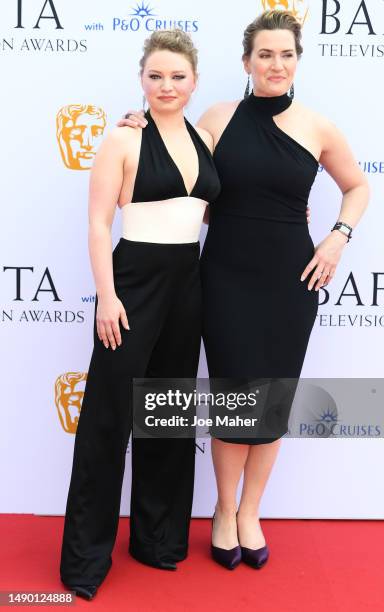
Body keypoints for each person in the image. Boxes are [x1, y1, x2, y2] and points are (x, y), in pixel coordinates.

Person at [119, 10, 369, 571]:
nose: (275, 64)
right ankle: (224, 510)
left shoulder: (317, 126)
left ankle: (251, 510)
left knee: (271, 400)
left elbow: (356, 187)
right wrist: (140, 121)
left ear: (297, 60)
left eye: (285, 55)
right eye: (265, 55)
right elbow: (180, 166)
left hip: (291, 280)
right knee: (236, 396)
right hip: (226, 276)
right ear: (246, 62)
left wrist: (336, 238)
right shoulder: (217, 116)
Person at [60, 29, 220, 600]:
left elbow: (199, 210)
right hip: (132, 283)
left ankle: (157, 541)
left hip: (188, 284)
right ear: (142, 80)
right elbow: (99, 223)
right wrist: (107, 295)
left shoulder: (205, 136)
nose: (167, 85)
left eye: (178, 76)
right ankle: (84, 562)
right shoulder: (123, 139)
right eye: (156, 76)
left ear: (195, 80)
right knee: (108, 419)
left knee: (169, 414)